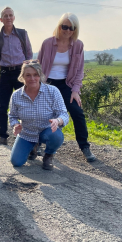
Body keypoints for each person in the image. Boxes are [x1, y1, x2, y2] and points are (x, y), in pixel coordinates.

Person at [37, 13, 96, 162]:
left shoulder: (78, 45)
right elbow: (38, 66)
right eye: (65, 26)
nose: (68, 30)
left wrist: (75, 90)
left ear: (75, 29)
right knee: (41, 112)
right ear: (59, 27)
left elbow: (79, 70)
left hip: (66, 84)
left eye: (71, 28)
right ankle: (35, 143)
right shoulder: (47, 43)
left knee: (77, 112)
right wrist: (36, 86)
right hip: (47, 83)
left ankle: (85, 147)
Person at [9, 60, 69, 170]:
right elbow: (12, 116)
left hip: (47, 131)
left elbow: (64, 114)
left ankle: (49, 155)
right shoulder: (16, 95)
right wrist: (15, 125)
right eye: (28, 75)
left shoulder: (52, 91)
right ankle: (33, 147)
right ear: (22, 77)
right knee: (16, 162)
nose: (32, 78)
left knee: (56, 136)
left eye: (35, 75)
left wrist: (58, 120)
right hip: (27, 133)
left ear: (40, 75)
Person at [0, 6, 33, 145]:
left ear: (14, 18)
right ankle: (3, 136)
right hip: (4, 73)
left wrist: (25, 68)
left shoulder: (22, 34)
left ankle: (26, 137)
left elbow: (29, 53)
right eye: (5, 16)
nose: (8, 18)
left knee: (24, 104)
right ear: (1, 19)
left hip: (20, 72)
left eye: (10, 15)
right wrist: (4, 67)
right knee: (2, 106)